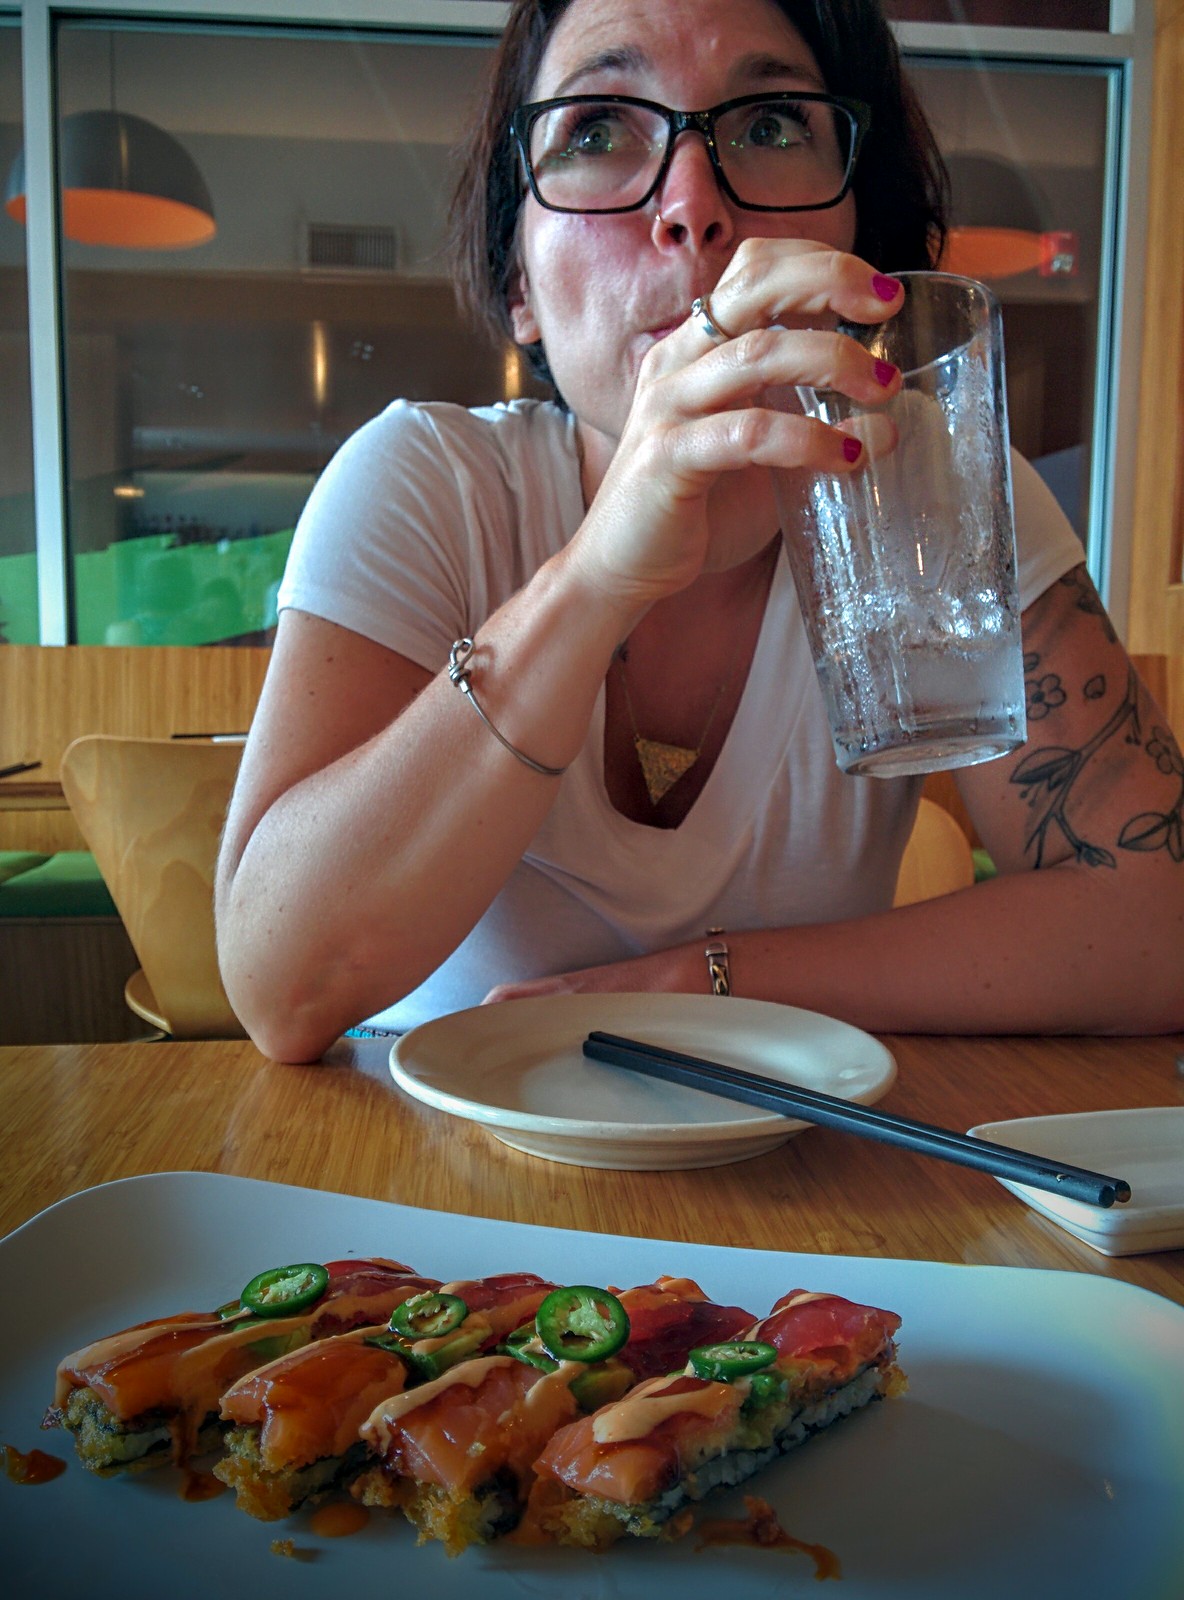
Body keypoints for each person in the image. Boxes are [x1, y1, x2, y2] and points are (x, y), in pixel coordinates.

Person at [215, 0, 1183, 1064]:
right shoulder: (426, 483)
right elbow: (282, 989)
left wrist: (701, 982)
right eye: (596, 130)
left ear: (857, 238)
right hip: (427, 1153)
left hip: (794, 1150)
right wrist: (595, 578)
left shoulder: (932, 487)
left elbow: (1160, 917)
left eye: (770, 125)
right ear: (518, 284)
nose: (691, 206)